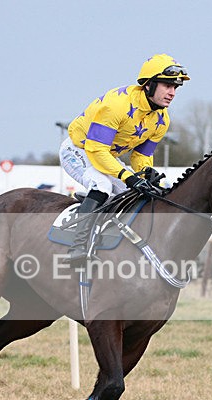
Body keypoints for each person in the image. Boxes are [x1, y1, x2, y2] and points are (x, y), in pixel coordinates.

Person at [59, 53, 189, 265]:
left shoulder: (162, 119)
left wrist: (145, 175)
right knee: (101, 184)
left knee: (138, 194)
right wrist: (128, 177)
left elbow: (142, 155)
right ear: (149, 85)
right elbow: (96, 150)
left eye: (176, 87)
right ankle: (78, 246)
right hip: (79, 149)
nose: (172, 93)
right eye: (167, 86)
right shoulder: (116, 105)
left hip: (105, 156)